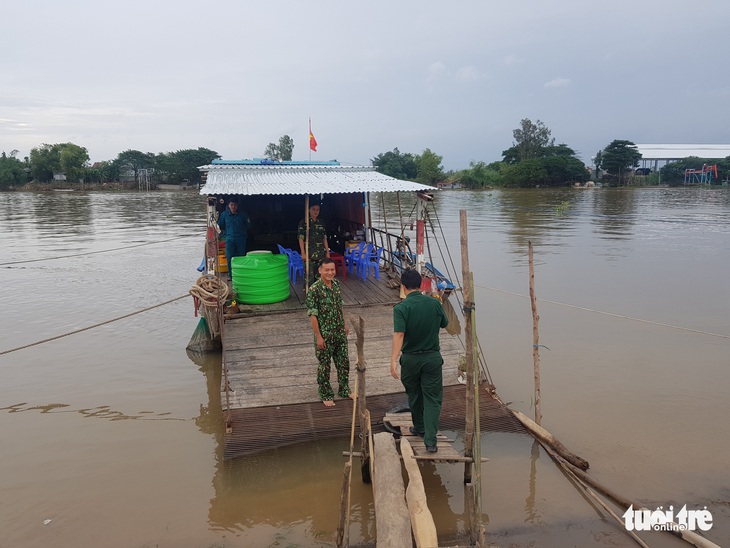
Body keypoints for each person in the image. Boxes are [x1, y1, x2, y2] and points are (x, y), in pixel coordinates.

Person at [390, 269, 449, 452]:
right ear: (422, 284)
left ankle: (420, 428)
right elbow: (445, 324)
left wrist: (393, 360)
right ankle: (430, 441)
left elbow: (400, 334)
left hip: (410, 360)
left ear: (403, 287)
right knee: (432, 398)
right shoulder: (434, 303)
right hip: (431, 358)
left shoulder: (400, 308)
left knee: (414, 395)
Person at [306, 258, 351, 407]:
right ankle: (325, 393)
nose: (330, 272)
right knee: (325, 365)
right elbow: (313, 315)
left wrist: (345, 324)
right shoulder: (314, 289)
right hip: (325, 334)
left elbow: (340, 306)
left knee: (343, 362)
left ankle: (344, 389)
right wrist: (318, 336)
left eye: (332, 269)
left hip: (339, 332)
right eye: (327, 270)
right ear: (320, 271)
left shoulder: (336, 285)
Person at [216, 196, 250, 280]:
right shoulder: (224, 215)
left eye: (235, 205)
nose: (233, 207)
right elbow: (220, 226)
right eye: (232, 205)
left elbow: (249, 225)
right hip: (229, 239)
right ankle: (231, 275)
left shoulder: (243, 215)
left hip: (241, 239)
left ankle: (240, 274)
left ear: (237, 206)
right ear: (228, 205)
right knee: (230, 257)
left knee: (241, 257)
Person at [298, 201, 330, 286]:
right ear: (308, 210)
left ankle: (319, 296)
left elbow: (324, 238)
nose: (316, 212)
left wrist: (327, 251)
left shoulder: (321, 222)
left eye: (318, 210)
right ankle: (309, 297)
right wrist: (303, 253)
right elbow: (301, 238)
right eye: (313, 209)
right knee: (309, 278)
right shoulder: (304, 222)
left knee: (321, 277)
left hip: (321, 254)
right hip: (309, 255)